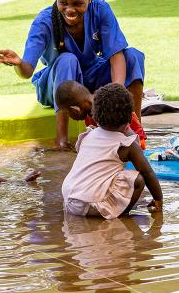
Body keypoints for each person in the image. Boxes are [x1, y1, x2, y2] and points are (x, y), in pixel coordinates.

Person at [0, 0, 145, 149]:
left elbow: (116, 55)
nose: (70, 9)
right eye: (63, 2)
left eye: (78, 3)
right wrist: (18, 64)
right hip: (58, 88)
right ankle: (61, 139)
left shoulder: (100, 10)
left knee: (133, 56)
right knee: (67, 59)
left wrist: (117, 94)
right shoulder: (44, 21)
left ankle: (134, 127)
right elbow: (27, 71)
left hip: (91, 76)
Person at [61, 83, 163, 219]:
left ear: (95, 116)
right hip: (89, 205)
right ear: (129, 118)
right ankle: (120, 215)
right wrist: (158, 199)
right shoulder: (126, 145)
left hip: (69, 199)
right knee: (137, 179)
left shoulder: (88, 135)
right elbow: (147, 172)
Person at [54, 80, 147, 150]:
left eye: (67, 113)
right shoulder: (89, 116)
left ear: (75, 109)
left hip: (138, 144)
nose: (70, 117)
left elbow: (137, 141)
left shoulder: (107, 105)